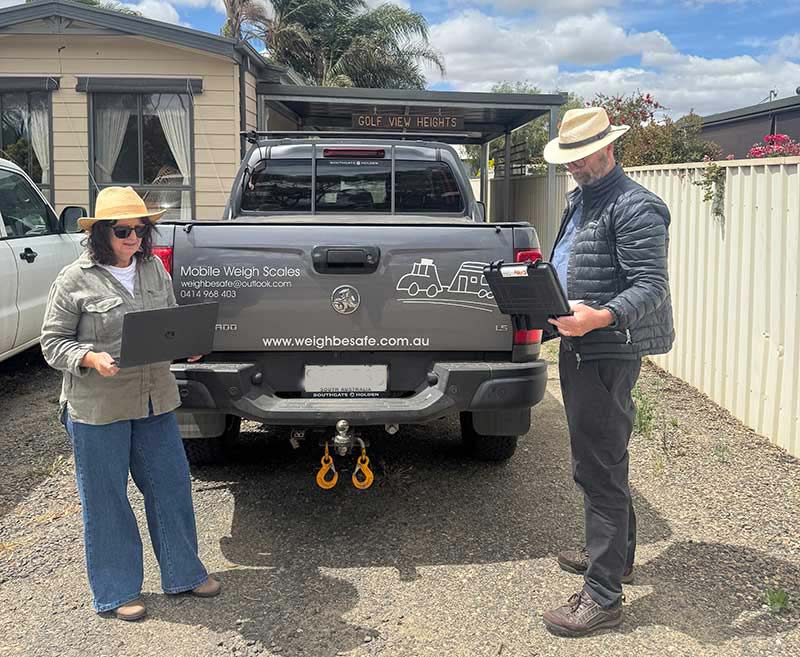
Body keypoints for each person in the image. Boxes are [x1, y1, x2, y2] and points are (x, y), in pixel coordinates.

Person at [40, 186, 220, 621]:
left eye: (141, 229)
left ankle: (184, 574)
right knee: (106, 500)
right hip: (98, 407)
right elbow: (52, 342)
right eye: (123, 230)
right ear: (101, 233)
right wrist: (87, 356)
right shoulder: (73, 279)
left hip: (155, 399)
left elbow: (167, 323)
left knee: (171, 487)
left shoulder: (154, 269)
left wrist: (187, 344)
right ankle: (117, 590)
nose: (134, 238)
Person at [540, 108, 674, 636]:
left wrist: (602, 315)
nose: (574, 167)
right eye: (568, 160)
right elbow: (576, 260)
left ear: (608, 148)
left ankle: (603, 596)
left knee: (597, 466)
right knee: (602, 459)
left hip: (608, 347)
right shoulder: (581, 199)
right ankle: (616, 559)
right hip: (580, 341)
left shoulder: (637, 206)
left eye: (581, 158)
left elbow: (650, 285)